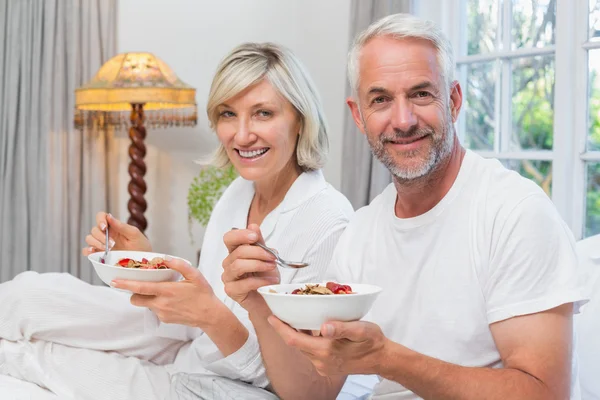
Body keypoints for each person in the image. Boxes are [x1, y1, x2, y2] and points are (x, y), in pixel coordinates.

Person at [222, 13, 588, 400]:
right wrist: (260, 303)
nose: (403, 120)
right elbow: (313, 392)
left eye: (421, 94)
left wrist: (388, 360)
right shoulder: (361, 233)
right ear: (358, 116)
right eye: (380, 100)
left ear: (454, 100)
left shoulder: (515, 213)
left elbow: (545, 393)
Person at [0, 42, 353, 400]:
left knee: (29, 358)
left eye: (263, 113)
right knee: (26, 294)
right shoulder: (239, 192)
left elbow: (296, 387)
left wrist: (213, 318)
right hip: (192, 347)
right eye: (228, 114)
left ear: (300, 119)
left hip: (227, 384)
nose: (242, 135)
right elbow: (210, 298)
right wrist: (151, 265)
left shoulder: (329, 224)